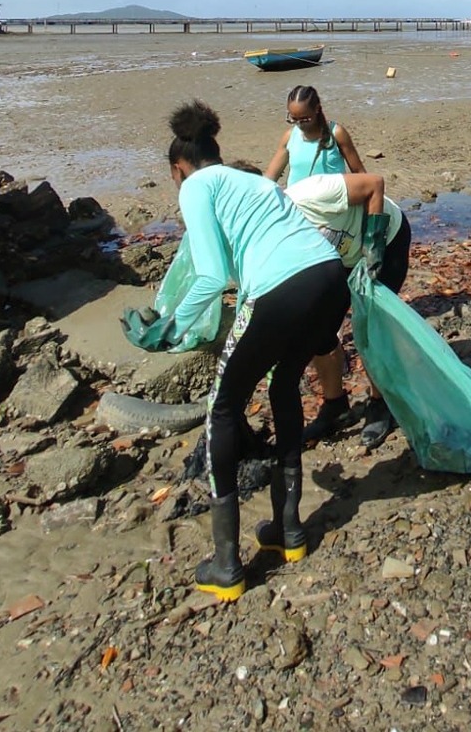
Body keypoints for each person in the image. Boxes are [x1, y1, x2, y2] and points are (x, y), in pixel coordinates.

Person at [154, 101, 349, 602]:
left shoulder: (197, 185)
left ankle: (227, 565)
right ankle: (290, 532)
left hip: (282, 287)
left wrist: (170, 327)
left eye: (175, 176)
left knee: (221, 410)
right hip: (329, 278)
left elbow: (212, 274)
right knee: (283, 387)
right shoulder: (257, 183)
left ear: (179, 167)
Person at [284, 171, 412, 450]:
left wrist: (373, 244)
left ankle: (381, 404)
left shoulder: (310, 195)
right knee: (320, 330)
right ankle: (335, 406)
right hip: (339, 258)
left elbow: (375, 183)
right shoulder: (270, 235)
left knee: (370, 327)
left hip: (386, 241)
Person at [263, 85, 365, 185]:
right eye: (294, 119)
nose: (299, 124)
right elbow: (270, 178)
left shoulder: (336, 134)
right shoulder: (290, 137)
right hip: (296, 199)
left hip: (330, 199)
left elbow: (359, 172)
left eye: (305, 119)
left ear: (317, 109)